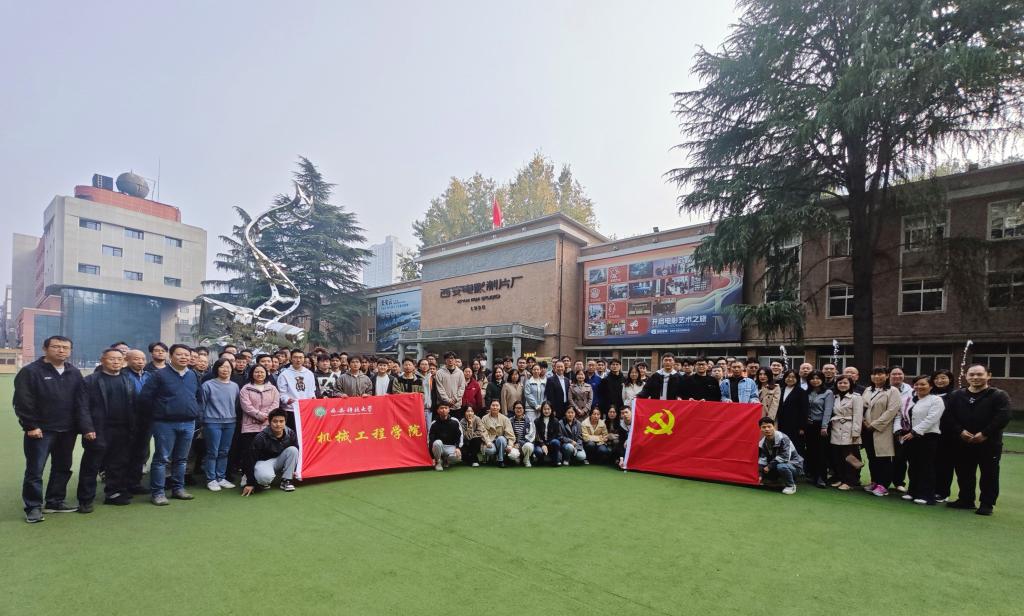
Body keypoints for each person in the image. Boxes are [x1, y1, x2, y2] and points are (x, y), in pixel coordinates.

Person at [139, 343, 202, 505]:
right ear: (171, 356)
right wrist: (159, 413)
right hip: (164, 423)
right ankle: (158, 493)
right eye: (179, 354)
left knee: (181, 459)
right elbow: (145, 397)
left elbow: (198, 397)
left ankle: (178, 489)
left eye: (187, 355)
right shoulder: (159, 375)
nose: (184, 357)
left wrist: (197, 413)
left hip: (188, 423)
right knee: (162, 459)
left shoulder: (192, 375)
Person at [945, 364, 1011, 516]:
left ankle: (987, 503)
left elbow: (1003, 416)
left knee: (989, 473)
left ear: (988, 375)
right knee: (964, 472)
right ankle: (966, 499)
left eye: (979, 374)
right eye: (972, 374)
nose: (975, 377)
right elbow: (948, 416)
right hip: (962, 442)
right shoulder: (956, 395)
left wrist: (984, 433)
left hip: (989, 443)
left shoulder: (998, 395)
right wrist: (960, 431)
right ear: (966, 376)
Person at [75, 348, 136, 512]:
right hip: (98, 430)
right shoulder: (90, 380)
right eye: (111, 359)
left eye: (119, 359)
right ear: (102, 360)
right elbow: (82, 407)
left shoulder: (126, 380)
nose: (116, 362)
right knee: (91, 465)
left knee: (118, 463)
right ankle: (85, 500)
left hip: (122, 429)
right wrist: (87, 428)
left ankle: (113, 494)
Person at [894, 374, 945, 505]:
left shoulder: (936, 400)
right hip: (910, 437)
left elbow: (932, 418)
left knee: (926, 466)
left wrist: (915, 432)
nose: (919, 387)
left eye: (923, 384)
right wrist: (899, 430)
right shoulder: (911, 399)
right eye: (916, 384)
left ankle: (926, 495)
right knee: (913, 465)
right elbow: (901, 415)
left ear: (931, 386)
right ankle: (913, 491)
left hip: (927, 437)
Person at [238, 364, 282, 487]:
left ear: (266, 373)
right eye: (256, 372)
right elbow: (246, 406)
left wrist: (267, 416)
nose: (259, 374)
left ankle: (262, 478)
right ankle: (247, 476)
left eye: (262, 372)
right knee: (249, 453)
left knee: (264, 453)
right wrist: (260, 415)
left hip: (267, 426)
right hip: (250, 426)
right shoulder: (245, 389)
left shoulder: (272, 388)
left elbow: (275, 404)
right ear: (252, 373)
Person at [201, 358, 240, 492]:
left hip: (230, 422)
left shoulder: (235, 386)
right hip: (212, 422)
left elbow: (235, 403)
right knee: (213, 451)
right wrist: (202, 422)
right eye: (222, 367)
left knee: (224, 451)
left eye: (228, 367)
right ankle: (211, 479)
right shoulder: (208, 385)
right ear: (216, 369)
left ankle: (220, 477)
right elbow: (202, 404)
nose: (225, 369)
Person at [861, 367, 901, 497]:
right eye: (874, 374)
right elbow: (862, 407)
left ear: (887, 376)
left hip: (883, 429)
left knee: (883, 458)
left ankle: (883, 485)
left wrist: (874, 425)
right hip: (866, 428)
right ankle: (875, 481)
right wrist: (864, 422)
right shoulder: (868, 390)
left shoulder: (893, 391)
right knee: (872, 457)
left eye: (880, 374)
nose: (877, 377)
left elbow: (892, 411)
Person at [241, 409, 299, 494]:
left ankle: (286, 480)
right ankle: (254, 478)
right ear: (269, 422)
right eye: (275, 421)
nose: (278, 424)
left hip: (279, 460)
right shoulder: (261, 437)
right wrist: (250, 483)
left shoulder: (290, 433)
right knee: (264, 479)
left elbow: (296, 452)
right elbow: (250, 459)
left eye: (281, 421)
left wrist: (295, 469)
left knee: (293, 450)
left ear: (285, 422)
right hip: (263, 462)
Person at [123, 349, 153, 495]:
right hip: (126, 421)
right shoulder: (122, 376)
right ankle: (121, 485)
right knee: (124, 454)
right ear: (127, 360)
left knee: (140, 453)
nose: (140, 361)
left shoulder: (149, 376)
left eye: (142, 359)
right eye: (136, 359)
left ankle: (135, 483)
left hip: (145, 420)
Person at [828, 375, 864, 491]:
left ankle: (851, 481)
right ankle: (841, 478)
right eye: (840, 383)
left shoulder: (856, 397)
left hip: (849, 429)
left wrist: (856, 433)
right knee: (838, 457)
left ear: (850, 384)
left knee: (850, 457)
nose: (842, 385)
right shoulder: (835, 397)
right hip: (836, 429)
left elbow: (858, 416)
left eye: (845, 383)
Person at [758, 417, 804, 495]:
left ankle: (791, 486)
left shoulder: (783, 438)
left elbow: (784, 457)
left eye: (769, 426)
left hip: (795, 466)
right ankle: (776, 480)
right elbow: (762, 460)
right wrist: (760, 475)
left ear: (774, 427)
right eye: (764, 427)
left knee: (781, 466)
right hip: (778, 464)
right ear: (760, 429)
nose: (767, 429)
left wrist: (769, 466)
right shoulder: (762, 443)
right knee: (766, 470)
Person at [930, 368, 957, 502]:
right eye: (936, 378)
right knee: (931, 463)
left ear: (950, 379)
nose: (939, 381)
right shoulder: (929, 394)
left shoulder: (955, 395)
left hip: (947, 436)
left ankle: (942, 492)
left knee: (945, 464)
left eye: (943, 378)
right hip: (930, 434)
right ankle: (930, 489)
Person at [804, 371, 834, 488]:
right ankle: (813, 475)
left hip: (821, 426)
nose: (815, 380)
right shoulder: (807, 392)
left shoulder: (828, 393)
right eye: (812, 378)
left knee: (821, 452)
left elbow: (828, 411)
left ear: (822, 380)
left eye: (817, 378)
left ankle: (822, 477)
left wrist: (824, 426)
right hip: (809, 426)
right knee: (811, 451)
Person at [277, 349, 316, 431]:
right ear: (291, 359)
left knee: (306, 432)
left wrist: (313, 398)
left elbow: (312, 390)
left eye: (301, 357)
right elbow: (281, 393)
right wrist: (287, 400)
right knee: (292, 433)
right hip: (291, 410)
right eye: (295, 357)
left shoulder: (309, 374)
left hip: (306, 409)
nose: (298, 360)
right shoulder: (284, 374)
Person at [775, 370, 809, 462]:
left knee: (795, 446)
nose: (790, 379)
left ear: (797, 379)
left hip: (795, 425)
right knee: (783, 446)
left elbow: (804, 410)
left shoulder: (801, 392)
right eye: (788, 377)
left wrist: (802, 427)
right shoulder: (780, 390)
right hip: (782, 423)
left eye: (793, 377)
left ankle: (797, 467)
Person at [479, 400, 516, 467]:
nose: (495, 407)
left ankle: (500, 460)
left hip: (501, 442)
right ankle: (491, 457)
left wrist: (510, 445)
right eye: (493, 405)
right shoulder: (484, 418)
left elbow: (510, 433)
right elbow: (483, 432)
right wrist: (487, 442)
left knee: (501, 439)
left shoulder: (505, 419)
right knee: (490, 451)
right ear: (490, 407)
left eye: (497, 405)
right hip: (490, 441)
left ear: (500, 407)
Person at [428, 402, 463, 471]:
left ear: (449, 410)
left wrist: (458, 448)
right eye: (441, 408)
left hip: (451, 447)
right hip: (439, 447)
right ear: (438, 410)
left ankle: (446, 460)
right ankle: (438, 462)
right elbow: (430, 440)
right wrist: (432, 457)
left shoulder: (455, 421)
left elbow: (459, 436)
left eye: (446, 408)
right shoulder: (434, 423)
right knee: (437, 442)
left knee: (457, 457)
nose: (444, 410)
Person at [436, 352, 468, 418]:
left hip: (456, 405)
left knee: (456, 423)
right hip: (443, 406)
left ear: (455, 360)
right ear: (445, 360)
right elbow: (439, 388)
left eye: (452, 358)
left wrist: (455, 399)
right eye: (448, 358)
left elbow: (462, 388)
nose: (450, 360)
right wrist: (448, 400)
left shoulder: (460, 373)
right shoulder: (439, 372)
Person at [532, 402, 562, 466]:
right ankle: (540, 460)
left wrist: (547, 443)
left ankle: (555, 461)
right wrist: (543, 444)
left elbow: (556, 435)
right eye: (545, 409)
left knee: (556, 442)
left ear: (551, 410)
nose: (546, 411)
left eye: (548, 409)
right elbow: (537, 435)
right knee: (538, 451)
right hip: (540, 444)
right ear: (541, 410)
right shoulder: (537, 421)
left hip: (551, 443)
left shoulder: (556, 421)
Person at [508, 402, 536, 467]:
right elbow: (508, 434)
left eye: (520, 408)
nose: (518, 410)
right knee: (512, 455)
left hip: (525, 444)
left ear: (523, 409)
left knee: (529, 446)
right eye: (516, 408)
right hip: (514, 445)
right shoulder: (510, 420)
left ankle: (526, 459)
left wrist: (520, 443)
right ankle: (518, 457)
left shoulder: (529, 420)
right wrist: (512, 444)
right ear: (514, 409)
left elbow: (531, 436)